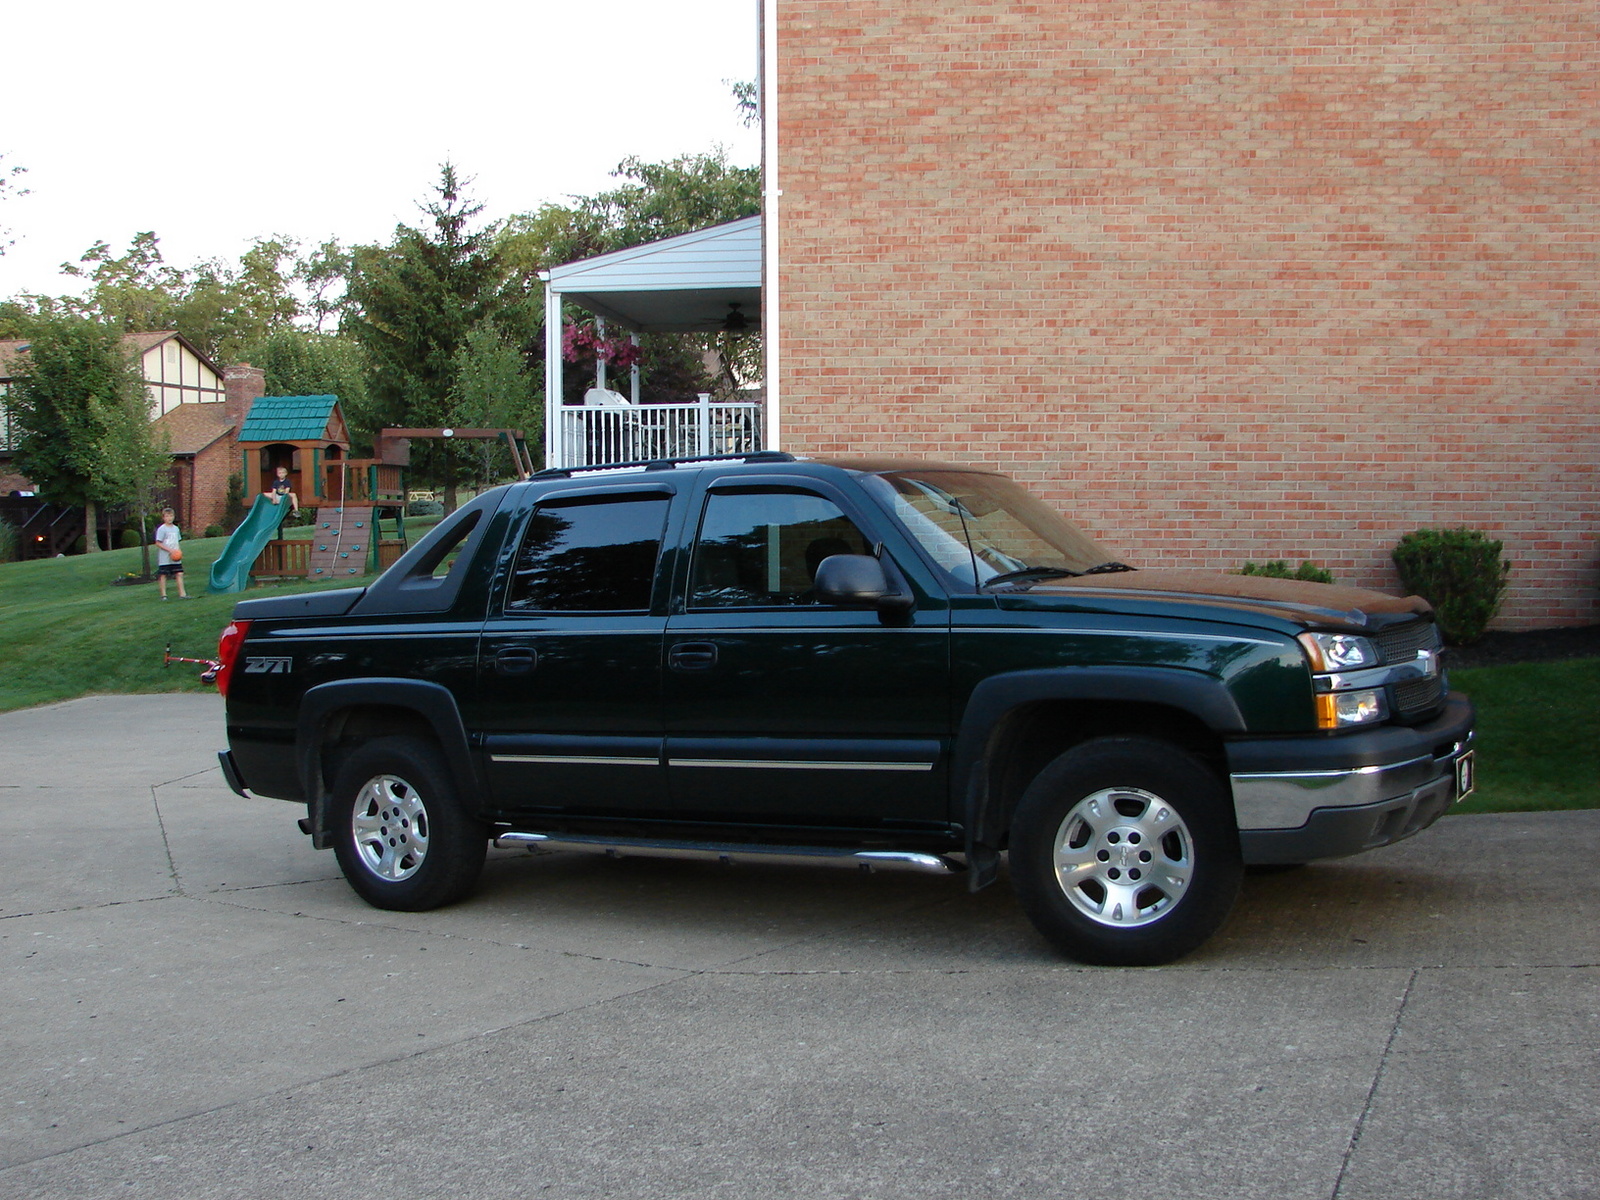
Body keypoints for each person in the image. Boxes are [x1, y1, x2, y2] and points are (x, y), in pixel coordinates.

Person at [153, 508, 188, 599]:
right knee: (163, 575)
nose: (169, 518)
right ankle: (163, 595)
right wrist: (169, 550)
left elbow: (177, 542)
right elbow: (158, 543)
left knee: (179, 573)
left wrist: (178, 552)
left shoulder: (176, 529)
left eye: (171, 516)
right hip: (165, 557)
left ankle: (182, 594)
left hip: (175, 557)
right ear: (163, 518)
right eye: (167, 516)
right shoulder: (162, 529)